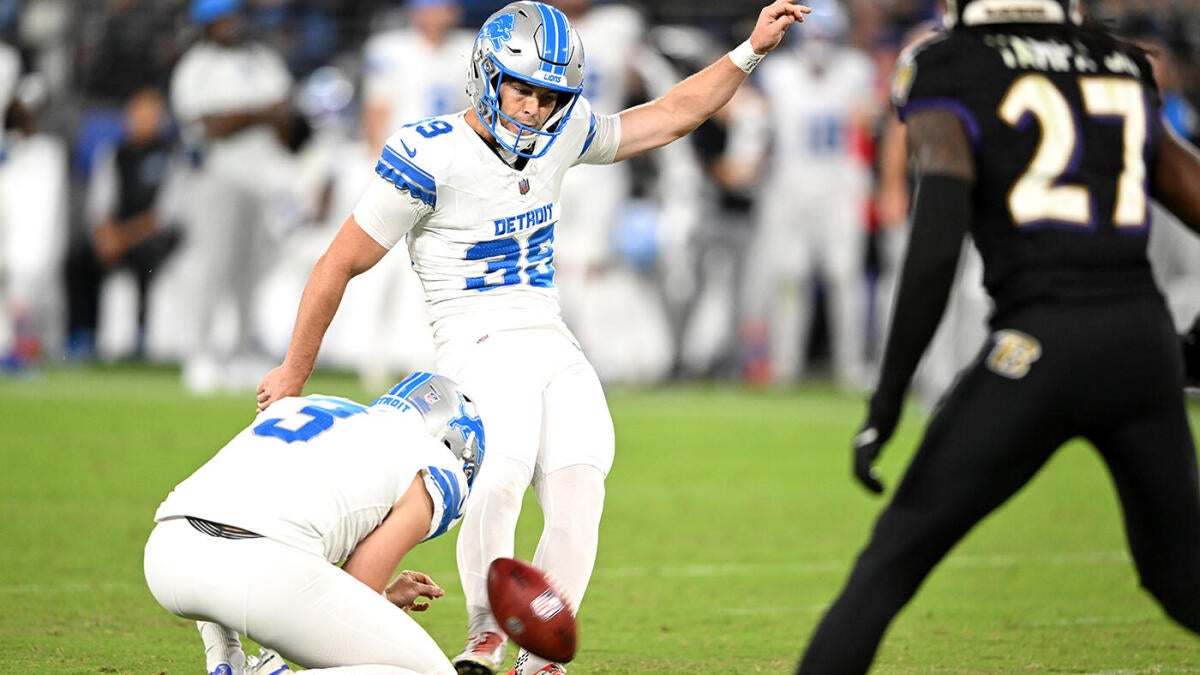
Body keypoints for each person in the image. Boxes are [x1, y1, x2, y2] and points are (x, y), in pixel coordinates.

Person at [254, 2, 812, 674]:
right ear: (486, 76)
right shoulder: (428, 153)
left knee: (583, 486)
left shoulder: (562, 129)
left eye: (550, 95)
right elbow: (337, 263)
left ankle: (543, 654)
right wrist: (293, 369)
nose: (535, 107)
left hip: (553, 340)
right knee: (501, 477)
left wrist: (748, 50)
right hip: (477, 342)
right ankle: (486, 635)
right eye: (522, 87)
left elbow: (669, 116)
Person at [797, 0, 1200, 672]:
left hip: (1040, 343)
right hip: (1142, 341)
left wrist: (888, 396)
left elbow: (934, 244)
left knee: (892, 557)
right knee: (1183, 581)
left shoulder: (950, 63)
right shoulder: (1116, 60)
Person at [144, 371, 486, 675]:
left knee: (237, 512)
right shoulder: (435, 465)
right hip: (260, 577)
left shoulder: (315, 406)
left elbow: (239, 502)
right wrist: (378, 602)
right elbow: (358, 588)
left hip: (167, 553)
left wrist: (381, 598)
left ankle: (224, 656)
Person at [744, 0, 878, 390]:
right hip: (789, 185)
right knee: (789, 275)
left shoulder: (856, 70)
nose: (820, 44)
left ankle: (851, 366)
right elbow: (758, 125)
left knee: (844, 276)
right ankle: (785, 364)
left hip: (840, 185)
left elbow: (868, 120)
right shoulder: (780, 74)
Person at [169, 0, 299, 393]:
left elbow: (287, 118)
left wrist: (243, 115)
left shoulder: (262, 59)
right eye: (220, 20)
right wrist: (259, 113)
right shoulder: (196, 66)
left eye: (232, 18)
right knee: (213, 266)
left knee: (250, 270)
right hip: (217, 176)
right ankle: (200, 352)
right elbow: (208, 126)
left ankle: (242, 351)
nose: (229, 26)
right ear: (206, 25)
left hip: (263, 178)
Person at [64, 86, 183, 361]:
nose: (142, 121)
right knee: (77, 261)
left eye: (150, 115)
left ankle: (142, 338)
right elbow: (99, 204)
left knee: (147, 262)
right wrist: (107, 237)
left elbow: (163, 215)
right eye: (138, 114)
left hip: (151, 239)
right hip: (116, 237)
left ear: (161, 120)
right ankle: (82, 335)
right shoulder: (113, 153)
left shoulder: (171, 156)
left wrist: (123, 238)